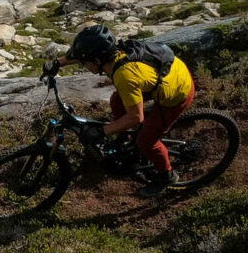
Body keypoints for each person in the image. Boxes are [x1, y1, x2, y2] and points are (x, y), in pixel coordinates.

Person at [64, 24, 195, 196]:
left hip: (178, 92)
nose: (83, 65)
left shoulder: (124, 76)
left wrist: (103, 131)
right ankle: (124, 137)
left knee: (146, 141)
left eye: (85, 63)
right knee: (116, 100)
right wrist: (58, 63)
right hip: (168, 72)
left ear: (96, 61)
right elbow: (83, 55)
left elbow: (136, 117)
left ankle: (166, 175)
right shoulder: (114, 52)